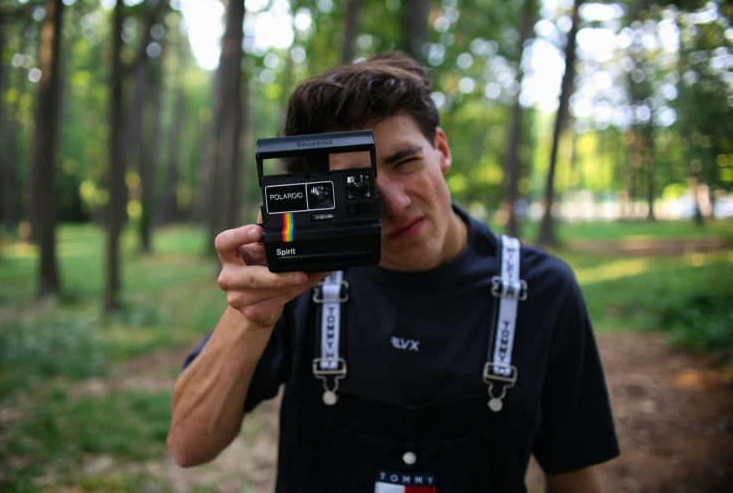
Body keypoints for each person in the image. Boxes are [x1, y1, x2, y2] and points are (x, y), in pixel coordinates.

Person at [167, 52, 619, 493]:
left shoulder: (541, 289)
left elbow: (574, 470)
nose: (396, 203)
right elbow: (188, 446)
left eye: (405, 163)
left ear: (440, 149)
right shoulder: (300, 283)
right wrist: (250, 315)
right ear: (321, 193)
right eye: (357, 187)